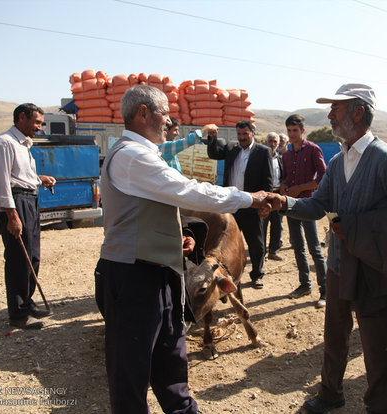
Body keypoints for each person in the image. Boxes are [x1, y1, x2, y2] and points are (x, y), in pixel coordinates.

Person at [98, 85, 270, 414]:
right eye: (164, 114)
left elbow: (153, 209)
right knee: (131, 377)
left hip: (162, 272)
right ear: (143, 113)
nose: (168, 122)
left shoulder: (144, 154)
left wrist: (176, 237)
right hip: (134, 276)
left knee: (171, 364)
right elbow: (187, 192)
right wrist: (250, 198)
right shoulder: (131, 156)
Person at [266, 84, 387, 413]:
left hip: (373, 268)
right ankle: (330, 394)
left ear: (358, 112)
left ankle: (378, 407)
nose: (330, 114)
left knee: (376, 345)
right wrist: (284, 202)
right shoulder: (337, 162)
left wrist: (356, 228)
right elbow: (319, 205)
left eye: (336, 108)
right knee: (335, 337)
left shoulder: (384, 158)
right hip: (339, 264)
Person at [0, 103, 56, 330]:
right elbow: (2, 182)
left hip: (29, 200)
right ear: (21, 118)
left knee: (33, 256)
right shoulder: (4, 142)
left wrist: (39, 179)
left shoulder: (23, 144)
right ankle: (18, 314)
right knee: (19, 258)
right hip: (16, 203)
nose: (39, 127)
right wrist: (11, 215)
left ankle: (27, 301)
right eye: (36, 122)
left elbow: (20, 176)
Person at [205, 120, 273, 289]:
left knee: (256, 243)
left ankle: (257, 275)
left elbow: (268, 179)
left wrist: (266, 202)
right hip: (231, 205)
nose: (242, 138)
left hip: (252, 205)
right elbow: (214, 154)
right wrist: (212, 138)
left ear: (252, 133)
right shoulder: (231, 149)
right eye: (239, 135)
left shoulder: (263, 152)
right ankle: (229, 274)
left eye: (245, 134)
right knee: (227, 242)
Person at [281, 114, 328, 308]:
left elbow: (324, 176)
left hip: (308, 204)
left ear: (302, 131)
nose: (292, 134)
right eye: (289, 130)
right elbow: (284, 177)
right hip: (291, 205)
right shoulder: (286, 154)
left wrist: (301, 188)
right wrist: (283, 185)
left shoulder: (313, 149)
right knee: (297, 246)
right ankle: (304, 285)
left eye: (295, 130)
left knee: (314, 248)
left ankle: (325, 291)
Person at [263, 132, 284, 261]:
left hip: (277, 194)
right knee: (262, 225)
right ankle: (262, 252)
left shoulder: (281, 158)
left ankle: (273, 251)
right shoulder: (260, 157)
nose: (273, 144)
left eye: (275, 141)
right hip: (264, 195)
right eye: (270, 141)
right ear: (266, 142)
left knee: (277, 224)